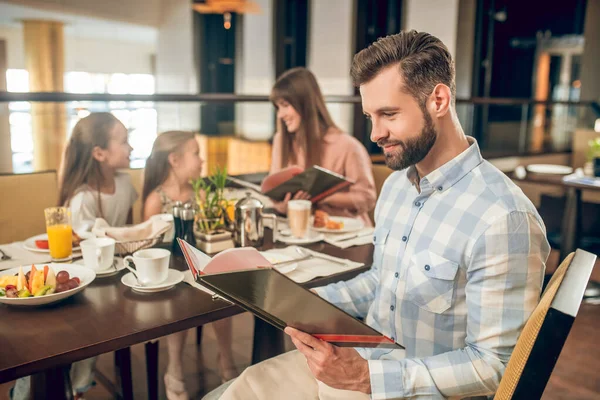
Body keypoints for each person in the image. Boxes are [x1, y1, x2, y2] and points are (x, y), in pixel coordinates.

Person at [210, 30, 550, 400]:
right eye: (370, 116)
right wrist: (291, 300)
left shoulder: (503, 218)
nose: (375, 133)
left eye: (388, 114)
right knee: (234, 393)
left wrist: (367, 378)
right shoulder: (396, 187)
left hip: (398, 388)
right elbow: (381, 284)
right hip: (361, 368)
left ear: (438, 99)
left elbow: (497, 367)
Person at [11, 112, 138, 400]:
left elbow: (126, 231)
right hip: (81, 279)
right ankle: (34, 390)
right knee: (76, 329)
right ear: (99, 153)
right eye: (124, 141)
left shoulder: (126, 185)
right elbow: (83, 246)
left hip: (112, 276)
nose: (130, 147)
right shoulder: (81, 198)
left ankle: (76, 389)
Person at [142, 131, 238, 400]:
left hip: (201, 268)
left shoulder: (202, 192)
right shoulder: (156, 199)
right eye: (196, 153)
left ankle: (226, 359)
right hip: (172, 276)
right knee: (180, 300)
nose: (202, 160)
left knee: (222, 291)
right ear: (174, 160)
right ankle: (174, 368)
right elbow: (148, 247)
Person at [268, 67, 376, 226]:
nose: (280, 115)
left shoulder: (348, 146)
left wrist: (323, 196)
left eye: (285, 105)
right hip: (300, 230)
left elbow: (367, 199)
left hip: (345, 234)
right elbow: (275, 195)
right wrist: (285, 206)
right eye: (278, 107)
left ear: (304, 103)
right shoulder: (281, 140)